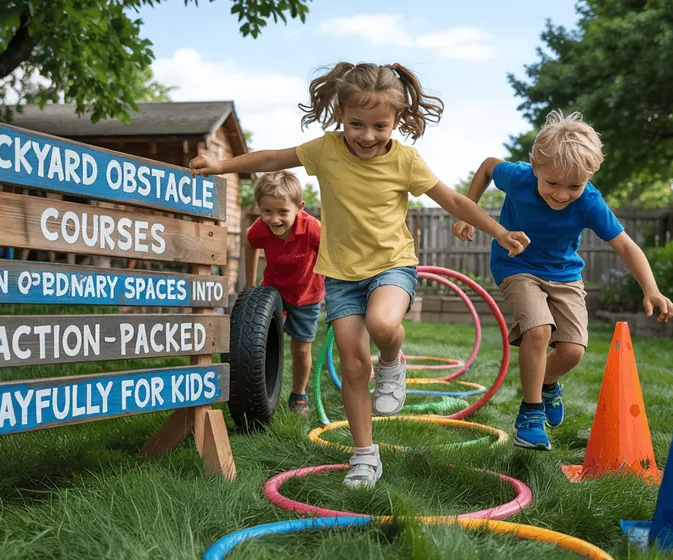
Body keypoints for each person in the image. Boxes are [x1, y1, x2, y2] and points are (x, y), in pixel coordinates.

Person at [190, 61, 529, 488]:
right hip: (341, 277)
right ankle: (365, 455)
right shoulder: (326, 150)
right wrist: (224, 167)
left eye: (379, 125)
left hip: (393, 265)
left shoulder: (406, 160)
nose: (367, 136)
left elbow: (455, 202)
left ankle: (392, 360)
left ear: (397, 121)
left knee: (383, 323)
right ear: (340, 116)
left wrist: (499, 231)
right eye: (356, 124)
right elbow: (276, 156)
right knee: (352, 366)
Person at [452, 110, 673, 451]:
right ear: (534, 165)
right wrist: (467, 210)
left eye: (574, 185)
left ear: (589, 176)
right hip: (515, 265)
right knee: (539, 330)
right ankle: (530, 414)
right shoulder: (518, 177)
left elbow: (625, 245)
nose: (561, 194)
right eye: (552, 184)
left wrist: (652, 289)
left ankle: (547, 383)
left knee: (572, 351)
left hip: (565, 274)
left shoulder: (589, 201)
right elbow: (487, 166)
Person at [244, 170, 324, 416]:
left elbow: (332, 254)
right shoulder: (260, 229)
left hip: (306, 295)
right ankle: (262, 389)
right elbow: (249, 246)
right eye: (267, 211)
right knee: (261, 342)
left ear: (299, 207)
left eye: (282, 212)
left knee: (300, 349)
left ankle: (298, 394)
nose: (274, 219)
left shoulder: (312, 229)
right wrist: (250, 285)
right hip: (273, 291)